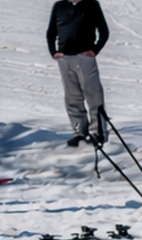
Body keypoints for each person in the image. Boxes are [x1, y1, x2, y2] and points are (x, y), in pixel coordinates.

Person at [47, 0, 112, 147]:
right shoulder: (59, 6)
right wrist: (53, 51)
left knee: (93, 95)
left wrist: (95, 50)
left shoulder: (91, 4)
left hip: (85, 57)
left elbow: (104, 31)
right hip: (65, 58)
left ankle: (98, 132)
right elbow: (51, 32)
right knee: (72, 97)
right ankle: (80, 132)